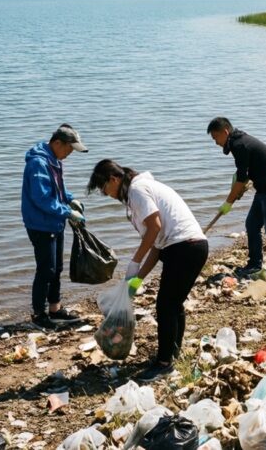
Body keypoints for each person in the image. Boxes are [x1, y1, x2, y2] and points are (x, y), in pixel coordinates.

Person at [87, 160, 208, 382]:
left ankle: (164, 364)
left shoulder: (137, 189)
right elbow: (156, 245)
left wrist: (134, 260)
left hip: (185, 247)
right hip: (188, 247)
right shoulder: (139, 190)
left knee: (165, 305)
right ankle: (171, 354)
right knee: (172, 304)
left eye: (104, 188)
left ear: (113, 179)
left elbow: (155, 227)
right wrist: (137, 277)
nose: (107, 194)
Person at [206, 117, 266, 283]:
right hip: (263, 189)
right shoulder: (237, 141)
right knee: (252, 225)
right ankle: (254, 264)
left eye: (216, 138)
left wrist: (228, 202)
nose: (216, 142)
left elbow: (241, 177)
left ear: (225, 132)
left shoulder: (240, 145)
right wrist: (237, 191)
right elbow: (242, 175)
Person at [21, 124, 88, 330]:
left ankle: (55, 309)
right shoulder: (38, 164)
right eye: (69, 148)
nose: (69, 153)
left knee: (57, 268)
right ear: (57, 143)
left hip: (54, 222)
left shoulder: (53, 160)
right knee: (45, 270)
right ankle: (39, 315)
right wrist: (67, 212)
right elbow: (41, 198)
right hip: (40, 224)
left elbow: (57, 188)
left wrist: (70, 199)